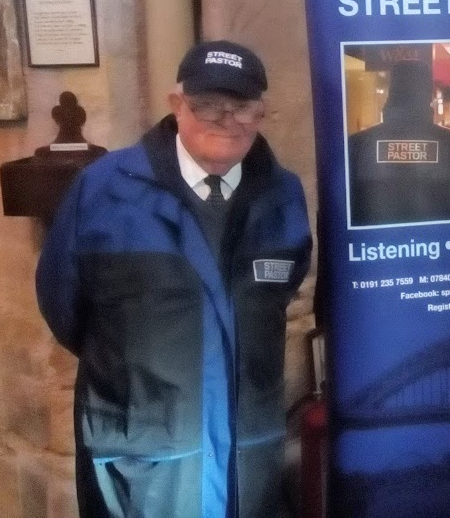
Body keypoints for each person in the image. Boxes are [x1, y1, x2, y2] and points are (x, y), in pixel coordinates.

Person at [36, 40, 312, 518]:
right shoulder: (103, 190)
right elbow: (65, 308)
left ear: (262, 112)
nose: (227, 120)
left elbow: (284, 291)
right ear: (177, 105)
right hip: (141, 457)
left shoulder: (283, 195)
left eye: (243, 106)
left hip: (249, 457)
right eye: (207, 105)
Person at [348, 59, 450, 225]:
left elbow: (337, 218)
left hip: (374, 249)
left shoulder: (356, 147)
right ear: (429, 94)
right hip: (438, 248)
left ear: (390, 92)